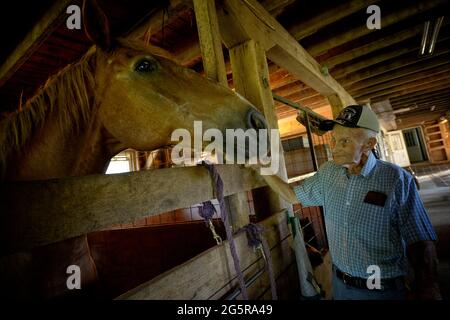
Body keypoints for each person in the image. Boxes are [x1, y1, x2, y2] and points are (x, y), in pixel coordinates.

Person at [255, 104, 441, 300]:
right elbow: (292, 195)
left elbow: (420, 241)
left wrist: (428, 288)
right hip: (340, 286)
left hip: (381, 290)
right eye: (333, 140)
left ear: (370, 144)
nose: (334, 148)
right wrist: (260, 165)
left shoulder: (396, 180)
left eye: (344, 141)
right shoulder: (329, 172)